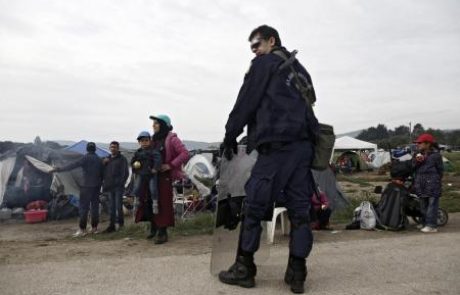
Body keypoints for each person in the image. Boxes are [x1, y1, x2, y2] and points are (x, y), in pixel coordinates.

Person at [219, 25, 319, 294]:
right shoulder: (299, 69)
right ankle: (297, 272)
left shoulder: (264, 64)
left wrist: (231, 134)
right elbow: (310, 106)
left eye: (257, 44)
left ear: (271, 40)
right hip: (302, 149)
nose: (254, 50)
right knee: (300, 211)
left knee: (254, 207)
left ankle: (244, 268)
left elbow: (247, 100)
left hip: (276, 148)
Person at [147, 114, 189, 244]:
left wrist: (170, 165)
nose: (153, 125)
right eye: (153, 123)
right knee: (151, 201)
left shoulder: (172, 139)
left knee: (163, 203)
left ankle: (162, 232)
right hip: (153, 175)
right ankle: (154, 227)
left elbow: (185, 154)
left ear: (163, 125)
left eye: (156, 123)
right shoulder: (153, 139)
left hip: (165, 176)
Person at [50, 142, 104, 237]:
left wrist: (59, 169)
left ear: (87, 149)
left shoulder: (85, 158)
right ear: (95, 149)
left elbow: (72, 165)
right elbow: (103, 174)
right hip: (97, 187)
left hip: (86, 186)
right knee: (95, 207)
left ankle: (82, 229)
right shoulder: (99, 160)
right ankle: (94, 228)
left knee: (84, 207)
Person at [413, 133, 443, 233]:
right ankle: (424, 222)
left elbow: (440, 170)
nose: (418, 144)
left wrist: (437, 179)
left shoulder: (436, 155)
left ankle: (432, 225)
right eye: (417, 143)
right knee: (422, 204)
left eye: (420, 143)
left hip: (432, 182)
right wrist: (417, 161)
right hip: (421, 182)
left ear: (428, 144)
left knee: (432, 204)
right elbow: (414, 167)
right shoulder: (417, 154)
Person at [131, 131, 162, 214]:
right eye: (142, 141)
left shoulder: (153, 151)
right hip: (140, 173)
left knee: (153, 189)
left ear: (150, 141)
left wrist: (155, 168)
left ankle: (155, 204)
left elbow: (158, 160)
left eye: (146, 140)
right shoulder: (138, 152)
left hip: (151, 174)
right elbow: (133, 162)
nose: (144, 143)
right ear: (139, 142)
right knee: (137, 188)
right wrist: (134, 167)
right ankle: (136, 202)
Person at [102, 141, 129, 233]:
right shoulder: (107, 159)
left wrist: (121, 183)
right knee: (111, 207)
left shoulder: (122, 159)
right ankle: (111, 226)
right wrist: (103, 163)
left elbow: (125, 173)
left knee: (118, 206)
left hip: (118, 187)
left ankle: (121, 225)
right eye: (111, 147)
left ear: (118, 148)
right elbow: (103, 172)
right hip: (109, 187)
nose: (113, 148)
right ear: (109, 148)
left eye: (115, 147)